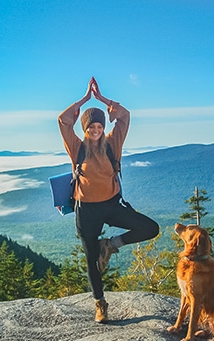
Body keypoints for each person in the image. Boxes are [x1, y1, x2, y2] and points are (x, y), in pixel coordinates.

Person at [58, 77, 159, 323]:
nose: (95, 131)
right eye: (90, 127)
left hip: (113, 205)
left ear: (103, 128)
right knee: (92, 260)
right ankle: (100, 304)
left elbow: (124, 116)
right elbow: (62, 120)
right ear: (84, 129)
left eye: (99, 126)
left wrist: (103, 100)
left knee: (150, 228)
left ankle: (112, 244)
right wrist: (84, 100)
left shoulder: (113, 142)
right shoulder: (77, 146)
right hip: (87, 211)